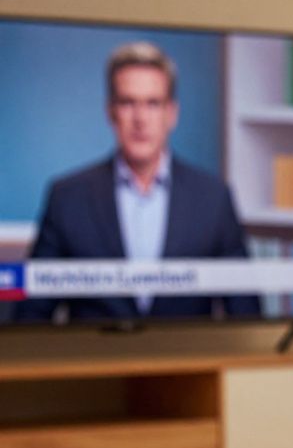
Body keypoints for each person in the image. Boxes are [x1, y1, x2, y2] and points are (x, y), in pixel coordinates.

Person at [14, 41, 260, 322]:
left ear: (172, 114)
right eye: (128, 103)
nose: (140, 119)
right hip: (96, 363)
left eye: (153, 104)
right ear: (111, 112)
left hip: (185, 364)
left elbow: (246, 314)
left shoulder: (213, 199)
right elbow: (30, 314)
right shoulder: (68, 198)